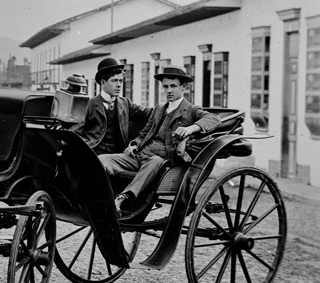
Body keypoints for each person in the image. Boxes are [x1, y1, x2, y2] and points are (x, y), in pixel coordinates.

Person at [99, 65, 221, 217]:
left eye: (173, 86)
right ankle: (99, 200)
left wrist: (190, 129)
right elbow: (144, 133)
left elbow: (214, 118)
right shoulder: (159, 109)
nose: (169, 90)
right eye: (165, 87)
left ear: (183, 87)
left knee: (155, 161)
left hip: (163, 162)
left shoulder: (191, 110)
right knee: (101, 160)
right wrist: (134, 144)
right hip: (139, 156)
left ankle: (123, 198)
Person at [70, 57, 152, 155]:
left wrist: (170, 107)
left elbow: (150, 112)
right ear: (103, 82)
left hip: (119, 155)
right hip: (93, 153)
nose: (119, 85)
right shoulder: (89, 104)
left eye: (121, 81)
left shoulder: (125, 103)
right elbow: (75, 133)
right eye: (114, 81)